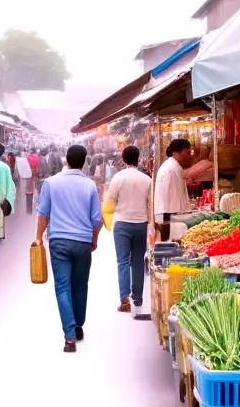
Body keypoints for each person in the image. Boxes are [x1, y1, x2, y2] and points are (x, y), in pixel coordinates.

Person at [35, 144, 103, 353]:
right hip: (82, 242)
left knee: (62, 287)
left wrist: (38, 237)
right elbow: (97, 220)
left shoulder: (51, 183)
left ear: (66, 159)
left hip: (59, 242)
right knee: (81, 284)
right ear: (84, 161)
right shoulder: (90, 186)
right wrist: (93, 240)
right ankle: (78, 325)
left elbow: (43, 214)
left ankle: (69, 336)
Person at [102, 145, 153, 315]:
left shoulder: (118, 178)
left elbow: (111, 200)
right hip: (141, 224)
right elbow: (150, 204)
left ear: (123, 159)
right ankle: (137, 297)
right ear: (138, 159)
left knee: (122, 261)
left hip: (122, 224)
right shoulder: (147, 179)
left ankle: (124, 298)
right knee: (138, 261)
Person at [154, 137, 193, 241]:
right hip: (170, 221)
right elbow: (172, 203)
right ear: (177, 153)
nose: (190, 156)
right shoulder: (171, 169)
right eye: (188, 153)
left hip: (170, 220)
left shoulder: (174, 167)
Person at [15, 149, 34, 214]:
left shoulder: (17, 162)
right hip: (29, 182)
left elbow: (16, 175)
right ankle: (29, 212)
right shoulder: (26, 160)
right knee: (29, 196)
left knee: (22, 198)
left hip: (21, 182)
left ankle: (22, 213)